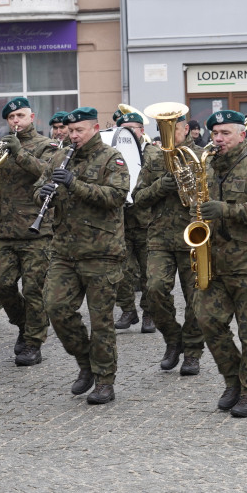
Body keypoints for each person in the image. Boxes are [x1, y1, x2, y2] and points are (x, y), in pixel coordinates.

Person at [38, 107, 129, 404]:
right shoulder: (58, 156)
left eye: (79, 130)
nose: (72, 135)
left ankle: (105, 380)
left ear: (95, 127)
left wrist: (73, 184)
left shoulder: (111, 158)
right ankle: (85, 362)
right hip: (64, 250)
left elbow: (116, 197)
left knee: (101, 320)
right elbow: (39, 185)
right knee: (56, 308)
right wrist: (42, 193)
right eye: (70, 130)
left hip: (102, 252)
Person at [193, 110, 247, 417]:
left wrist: (226, 210)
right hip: (212, 261)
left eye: (225, 133)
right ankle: (233, 380)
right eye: (215, 134)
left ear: (242, 135)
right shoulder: (207, 166)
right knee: (208, 322)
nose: (218, 139)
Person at [0, 97, 59, 365]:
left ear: (32, 118)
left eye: (20, 116)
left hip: (35, 230)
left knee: (33, 289)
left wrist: (18, 152)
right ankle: (25, 325)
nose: (15, 121)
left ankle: (33, 342)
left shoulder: (47, 146)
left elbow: (47, 172)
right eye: (10, 117)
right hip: (3, 229)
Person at [131, 110, 204, 375]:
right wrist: (163, 185)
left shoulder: (203, 156)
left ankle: (193, 352)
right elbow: (138, 197)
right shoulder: (154, 159)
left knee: (196, 299)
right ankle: (174, 339)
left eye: (173, 128)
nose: (168, 134)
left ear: (186, 129)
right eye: (164, 129)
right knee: (154, 290)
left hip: (193, 236)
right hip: (160, 237)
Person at [114, 110, 157, 332]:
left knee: (149, 272)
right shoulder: (113, 154)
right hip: (120, 221)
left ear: (142, 131)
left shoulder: (154, 154)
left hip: (147, 222)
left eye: (133, 128)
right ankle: (128, 310)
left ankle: (149, 312)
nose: (129, 132)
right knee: (121, 270)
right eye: (125, 129)